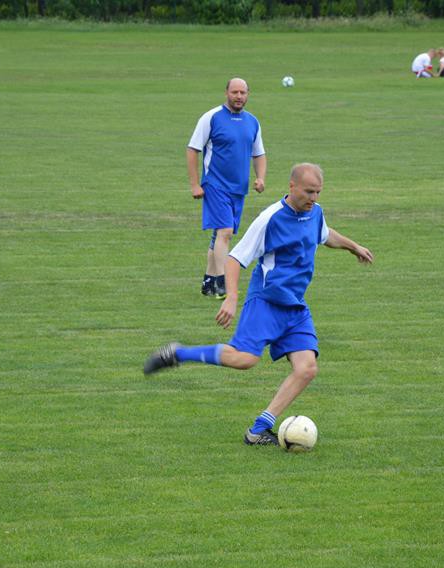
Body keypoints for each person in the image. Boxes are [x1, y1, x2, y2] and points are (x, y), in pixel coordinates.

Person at [144, 164, 374, 446]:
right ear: (291, 186)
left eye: (318, 192)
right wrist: (231, 297)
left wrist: (354, 247)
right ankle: (179, 353)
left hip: (295, 307)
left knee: (306, 369)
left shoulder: (315, 213)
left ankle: (258, 430)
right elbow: (235, 258)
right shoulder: (270, 219)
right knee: (245, 359)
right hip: (266, 301)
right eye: (308, 192)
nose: (313, 198)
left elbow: (326, 234)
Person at [187, 78, 267, 300]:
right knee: (225, 232)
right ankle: (222, 283)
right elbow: (193, 149)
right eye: (235, 92)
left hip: (238, 188)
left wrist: (260, 178)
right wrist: (195, 184)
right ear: (226, 93)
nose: (239, 96)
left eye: (243, 92)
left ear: (248, 94)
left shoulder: (252, 122)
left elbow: (259, 153)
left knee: (219, 234)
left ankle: (209, 281)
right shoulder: (211, 118)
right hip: (215, 184)